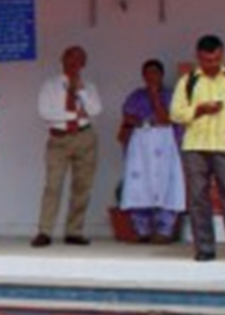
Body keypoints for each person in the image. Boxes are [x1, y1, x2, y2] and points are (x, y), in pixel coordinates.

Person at [32, 45, 102, 247]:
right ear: (62, 60)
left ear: (83, 64)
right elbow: (46, 112)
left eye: (78, 60)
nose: (73, 64)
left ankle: (74, 231)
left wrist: (81, 92)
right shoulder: (50, 85)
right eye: (70, 59)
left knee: (82, 186)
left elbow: (95, 110)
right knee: (53, 185)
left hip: (84, 137)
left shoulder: (89, 86)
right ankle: (45, 231)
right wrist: (74, 115)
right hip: (59, 139)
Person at [170, 34, 225, 263]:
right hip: (195, 147)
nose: (211, 64)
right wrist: (199, 110)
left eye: (215, 59)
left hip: (223, 145)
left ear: (221, 55)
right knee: (198, 198)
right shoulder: (188, 81)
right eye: (206, 60)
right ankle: (205, 248)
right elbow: (175, 113)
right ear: (198, 57)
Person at [117, 59, 184, 244]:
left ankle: (164, 230)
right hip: (142, 146)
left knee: (165, 183)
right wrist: (138, 121)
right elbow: (128, 116)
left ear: (161, 75)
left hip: (165, 144)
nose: (151, 76)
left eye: (155, 72)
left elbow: (165, 118)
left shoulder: (171, 95)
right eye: (147, 73)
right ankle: (142, 229)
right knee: (140, 184)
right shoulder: (136, 96)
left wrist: (155, 96)